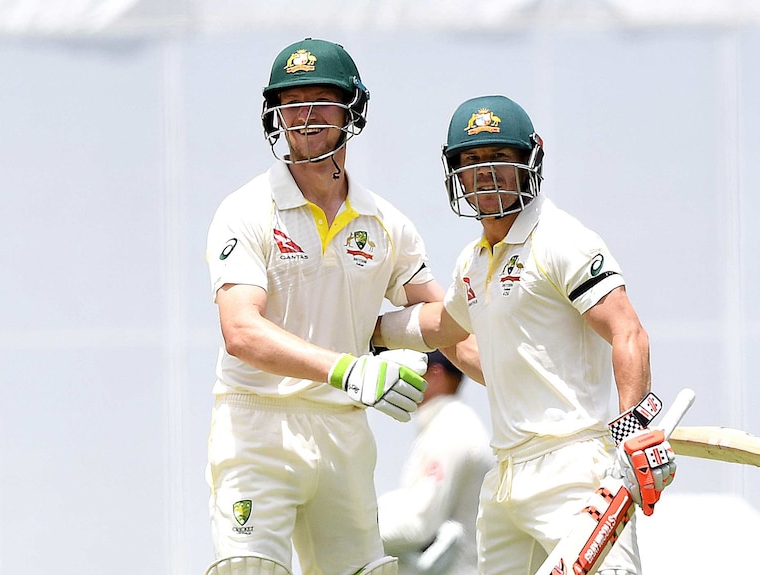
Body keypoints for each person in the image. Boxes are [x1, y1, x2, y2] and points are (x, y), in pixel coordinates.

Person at [373, 94, 677, 575]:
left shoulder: (561, 240)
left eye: (500, 159)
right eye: (472, 162)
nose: (486, 174)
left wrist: (634, 434)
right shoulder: (473, 262)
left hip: (574, 469)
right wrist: (370, 329)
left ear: (530, 161)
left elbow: (628, 330)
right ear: (456, 174)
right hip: (506, 478)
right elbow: (443, 328)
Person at [204, 37, 453, 575]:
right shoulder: (245, 211)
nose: (306, 115)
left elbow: (447, 324)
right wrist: (350, 368)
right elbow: (241, 331)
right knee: (249, 568)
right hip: (257, 425)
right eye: (292, 102)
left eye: (321, 99)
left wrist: (521, 366)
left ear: (352, 110)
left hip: (342, 432)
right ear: (276, 115)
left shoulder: (386, 223)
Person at [377, 350, 493, 575]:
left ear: (436, 374)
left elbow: (418, 525)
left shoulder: (451, 429)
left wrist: (349, 529)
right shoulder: (448, 423)